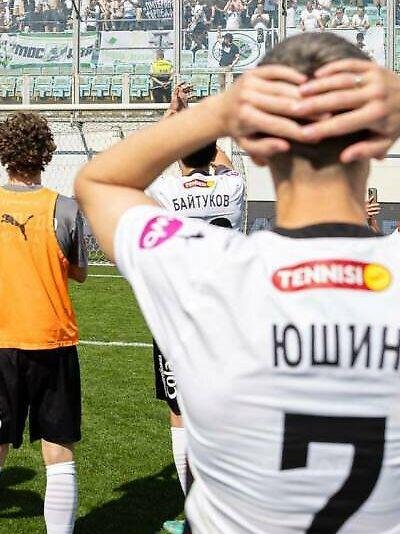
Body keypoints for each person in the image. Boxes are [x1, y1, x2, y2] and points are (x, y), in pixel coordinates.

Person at [74, 31, 400, 533]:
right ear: (378, 141)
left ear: (257, 147)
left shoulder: (204, 272)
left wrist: (221, 111)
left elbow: (99, 182)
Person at [0, 111, 88, 534]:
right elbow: (79, 272)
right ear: (46, 153)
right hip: (52, 341)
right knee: (59, 454)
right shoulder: (65, 208)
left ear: (2, 152)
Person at [144, 83, 246, 534]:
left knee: (181, 413)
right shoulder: (234, 185)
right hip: (227, 312)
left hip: (178, 314)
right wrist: (203, 122)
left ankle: (194, 514)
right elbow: (216, 158)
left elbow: (149, 152)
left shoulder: (165, 189)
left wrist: (175, 116)